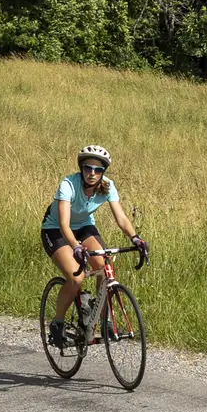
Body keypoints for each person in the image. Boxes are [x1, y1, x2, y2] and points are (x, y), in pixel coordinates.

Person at [41, 145, 143, 346]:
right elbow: (63, 223)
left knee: (105, 267)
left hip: (85, 227)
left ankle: (99, 317)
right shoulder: (68, 185)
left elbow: (121, 218)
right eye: (88, 168)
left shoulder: (107, 186)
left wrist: (135, 238)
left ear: (103, 171)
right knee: (76, 277)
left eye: (98, 170)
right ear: (81, 168)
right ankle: (57, 324)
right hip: (56, 230)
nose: (92, 173)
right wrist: (75, 246)